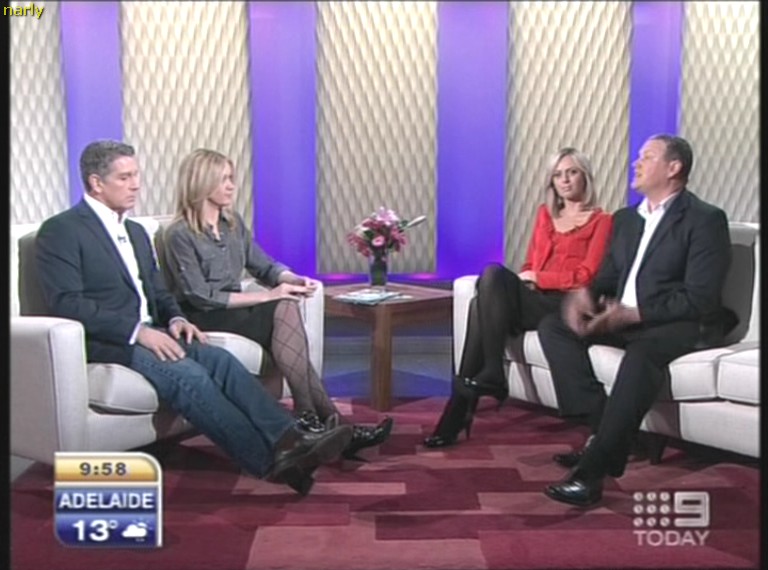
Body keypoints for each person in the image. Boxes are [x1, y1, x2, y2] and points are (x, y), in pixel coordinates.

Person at [35, 140, 354, 496]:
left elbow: (158, 292)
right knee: (191, 376)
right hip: (111, 341)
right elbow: (67, 303)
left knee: (222, 362)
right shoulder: (62, 230)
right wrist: (138, 332)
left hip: (156, 330)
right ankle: (269, 462)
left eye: (136, 175)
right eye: (125, 178)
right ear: (96, 183)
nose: (136, 184)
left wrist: (175, 319)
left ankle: (289, 439)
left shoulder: (136, 232)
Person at [538, 134, 732, 507]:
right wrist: (586, 295)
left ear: (674, 167)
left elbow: (701, 297)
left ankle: (591, 475)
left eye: (647, 157)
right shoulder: (627, 219)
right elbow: (610, 276)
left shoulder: (705, 219)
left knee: (641, 358)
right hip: (623, 319)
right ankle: (602, 428)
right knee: (555, 326)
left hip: (673, 323)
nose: (636, 163)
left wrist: (636, 313)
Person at [162, 148, 392, 460]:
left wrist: (292, 279)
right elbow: (200, 295)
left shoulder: (232, 224)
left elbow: (264, 266)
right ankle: (321, 421)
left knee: (286, 306)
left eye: (231, 178)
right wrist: (268, 295)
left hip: (237, 311)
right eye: (223, 179)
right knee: (281, 305)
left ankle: (319, 421)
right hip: (203, 316)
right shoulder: (179, 234)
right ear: (202, 183)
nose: (231, 185)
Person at [423, 147, 613, 448]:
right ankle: (489, 378)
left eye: (572, 172)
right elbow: (530, 263)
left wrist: (539, 278)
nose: (565, 180)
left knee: (486, 291)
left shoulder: (602, 221)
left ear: (585, 177)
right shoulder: (545, 215)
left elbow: (587, 276)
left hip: (566, 305)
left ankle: (460, 410)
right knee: (486, 290)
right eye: (558, 175)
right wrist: (528, 279)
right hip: (536, 298)